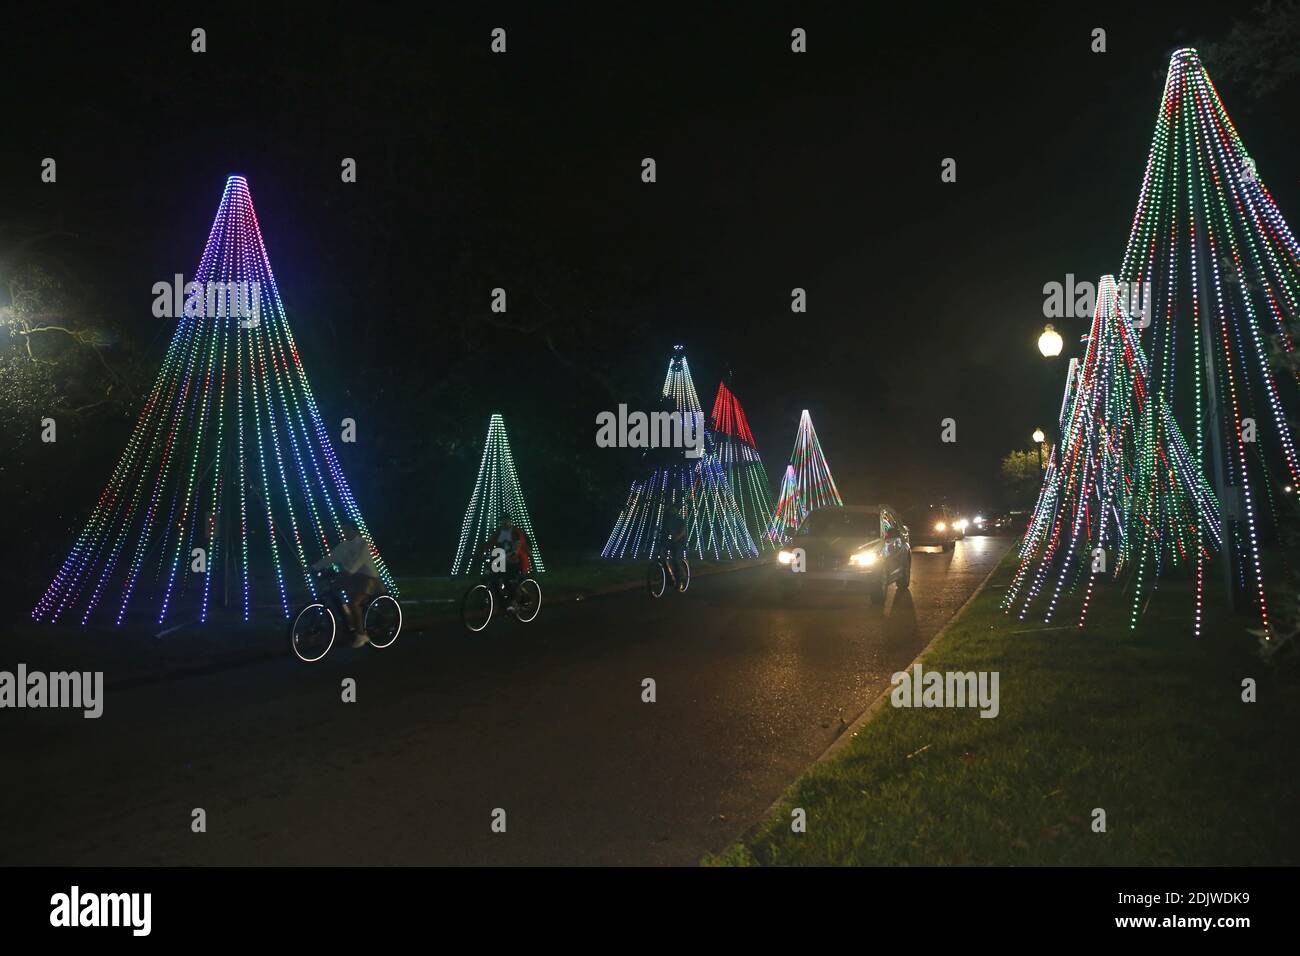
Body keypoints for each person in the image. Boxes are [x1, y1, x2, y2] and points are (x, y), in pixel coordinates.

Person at [312, 520, 383, 647]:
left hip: (367, 578)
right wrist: (315, 567)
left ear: (355, 530)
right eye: (344, 529)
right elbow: (331, 558)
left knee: (354, 603)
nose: (345, 532)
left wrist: (349, 571)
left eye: (348, 529)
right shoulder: (343, 546)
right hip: (351, 576)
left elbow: (360, 560)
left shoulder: (363, 543)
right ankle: (349, 620)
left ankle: (361, 635)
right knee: (331, 592)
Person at [482, 514, 530, 606]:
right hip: (502, 560)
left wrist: (513, 553)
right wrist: (476, 553)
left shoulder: (516, 532)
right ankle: (502, 603)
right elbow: (489, 543)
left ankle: (514, 602)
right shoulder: (499, 532)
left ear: (510, 522)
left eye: (506, 521)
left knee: (509, 581)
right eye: (502, 521)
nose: (504, 523)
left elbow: (518, 546)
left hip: (517, 561)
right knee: (493, 578)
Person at [661, 495, 688, 584]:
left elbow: (683, 531)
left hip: (680, 542)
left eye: (673, 509)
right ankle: (669, 576)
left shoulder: (680, 519)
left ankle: (680, 578)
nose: (671, 511)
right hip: (671, 541)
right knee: (662, 556)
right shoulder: (669, 520)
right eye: (671, 509)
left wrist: (677, 537)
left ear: (676, 510)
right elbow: (665, 531)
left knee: (676, 559)